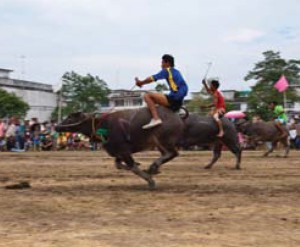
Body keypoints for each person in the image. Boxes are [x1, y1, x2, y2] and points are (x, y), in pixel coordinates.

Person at [135, 54, 188, 129]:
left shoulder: (167, 70)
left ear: (167, 63)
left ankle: (156, 119)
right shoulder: (177, 72)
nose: (161, 65)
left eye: (162, 62)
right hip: (178, 100)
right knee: (156, 99)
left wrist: (141, 82)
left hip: (173, 100)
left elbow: (152, 78)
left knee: (147, 96)